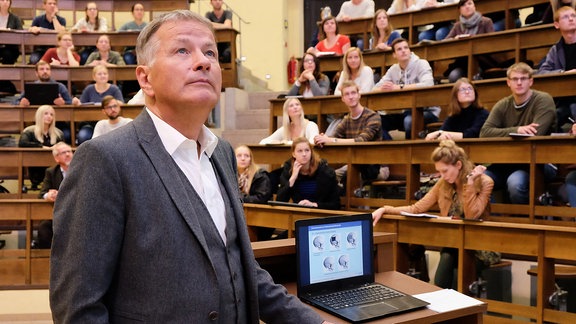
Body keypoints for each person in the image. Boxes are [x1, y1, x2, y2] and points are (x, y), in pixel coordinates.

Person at [49, 10, 328, 323]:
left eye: (210, 51)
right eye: (182, 50)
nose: (204, 61)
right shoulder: (104, 159)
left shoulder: (222, 153)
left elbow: (240, 270)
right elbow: (79, 308)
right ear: (145, 79)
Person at [372, 140, 494, 288]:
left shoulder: (485, 182)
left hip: (479, 246)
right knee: (441, 280)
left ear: (458, 165)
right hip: (452, 244)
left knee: (457, 279)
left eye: (445, 171)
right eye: (440, 171)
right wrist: (385, 209)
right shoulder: (443, 183)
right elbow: (416, 208)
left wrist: (470, 183)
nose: (442, 176)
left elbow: (471, 216)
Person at [480, 62, 557, 204]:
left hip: (538, 163)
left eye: (523, 78)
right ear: (508, 82)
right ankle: (494, 223)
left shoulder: (543, 100)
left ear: (531, 81)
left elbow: (535, 133)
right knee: (477, 180)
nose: (519, 82)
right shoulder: (503, 104)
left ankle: (523, 223)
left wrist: (505, 134)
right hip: (505, 162)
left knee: (515, 184)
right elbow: (485, 132)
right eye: (515, 79)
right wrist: (517, 130)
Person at [373, 38, 440, 140]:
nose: (403, 50)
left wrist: (399, 87)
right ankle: (393, 150)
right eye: (399, 49)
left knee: (409, 121)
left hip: (425, 111)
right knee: (375, 122)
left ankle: (412, 153)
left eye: (406, 48)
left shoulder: (422, 63)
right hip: (401, 111)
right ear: (394, 55)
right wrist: (385, 88)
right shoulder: (393, 69)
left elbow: (428, 84)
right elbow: (374, 90)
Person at [537, 6, 576, 132]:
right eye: (566, 17)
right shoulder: (555, 49)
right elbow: (542, 72)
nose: (571, 19)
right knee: (545, 122)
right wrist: (563, 73)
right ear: (556, 25)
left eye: (574, 16)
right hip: (563, 101)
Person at [276, 137, 341, 210]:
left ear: (311, 152)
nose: (304, 154)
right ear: (294, 154)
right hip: (299, 212)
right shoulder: (289, 170)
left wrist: (314, 205)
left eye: (307, 150)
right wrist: (293, 178)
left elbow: (336, 204)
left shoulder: (325, 171)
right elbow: (280, 201)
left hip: (319, 213)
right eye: (300, 151)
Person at [443, 0, 494, 82]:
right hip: (462, 62)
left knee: (477, 75)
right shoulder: (457, 25)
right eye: (463, 5)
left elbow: (492, 42)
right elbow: (445, 42)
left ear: (474, 7)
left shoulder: (486, 21)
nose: (467, 6)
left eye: (469, 3)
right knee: (453, 76)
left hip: (481, 61)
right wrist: (455, 39)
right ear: (459, 10)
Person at [36, 142, 73, 249]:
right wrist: (49, 195)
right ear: (56, 158)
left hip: (77, 212)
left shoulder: (81, 170)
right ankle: (46, 261)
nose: (67, 154)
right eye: (63, 152)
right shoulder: (51, 172)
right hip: (57, 214)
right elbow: (42, 194)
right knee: (44, 228)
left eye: (69, 151)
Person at [18, 105, 64, 191]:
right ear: (39, 115)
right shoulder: (29, 131)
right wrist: (42, 147)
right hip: (35, 168)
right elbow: (22, 143)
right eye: (46, 113)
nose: (49, 116)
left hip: (53, 167)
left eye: (51, 114)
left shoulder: (58, 133)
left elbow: (63, 146)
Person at [235, 145, 274, 240]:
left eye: (246, 156)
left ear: (250, 159)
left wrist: (238, 198)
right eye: (239, 155)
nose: (243, 158)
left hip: (260, 217)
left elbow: (260, 198)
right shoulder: (230, 174)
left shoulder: (260, 175)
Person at [16, 61, 80, 107]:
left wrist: (63, 103)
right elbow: (15, 102)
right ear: (36, 73)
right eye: (42, 69)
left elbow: (70, 102)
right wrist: (21, 103)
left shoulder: (60, 86)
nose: (45, 71)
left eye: (47, 69)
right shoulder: (31, 87)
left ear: (50, 71)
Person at [28, 0, 66, 65]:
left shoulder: (61, 20)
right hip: (41, 49)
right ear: (44, 6)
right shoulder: (38, 19)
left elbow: (61, 32)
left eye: (54, 4)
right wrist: (33, 29)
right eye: (50, 3)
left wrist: (54, 17)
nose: (52, 6)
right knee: (34, 59)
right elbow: (31, 29)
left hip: (56, 50)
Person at [0, 0, 23, 64]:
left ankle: (7, 74)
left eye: (7, 0)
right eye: (2, 0)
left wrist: (11, 31)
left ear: (10, 3)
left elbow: (20, 32)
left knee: (8, 55)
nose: (5, 2)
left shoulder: (15, 18)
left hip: (10, 47)